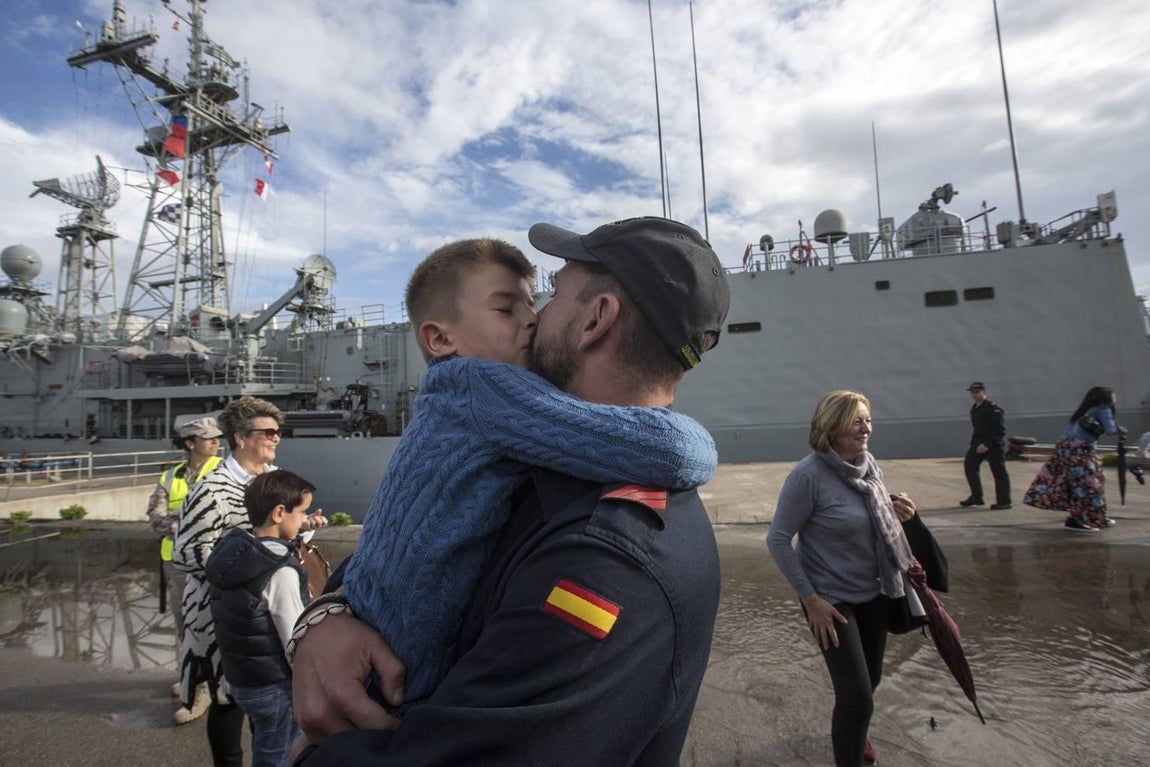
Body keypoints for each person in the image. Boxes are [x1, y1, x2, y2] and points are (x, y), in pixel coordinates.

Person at [289, 216, 731, 765]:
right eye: (512, 306)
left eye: (551, 296)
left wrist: (308, 757)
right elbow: (403, 535)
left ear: (596, 319)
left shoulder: (610, 558)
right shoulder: (535, 459)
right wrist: (323, 618)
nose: (535, 316)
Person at [766, 390, 921, 767]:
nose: (865, 427)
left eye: (867, 419)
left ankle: (856, 732)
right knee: (857, 697)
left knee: (871, 681)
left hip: (876, 592)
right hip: (830, 601)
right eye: (855, 420)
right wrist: (810, 599)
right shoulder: (808, 476)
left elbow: (876, 523)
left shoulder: (870, 467)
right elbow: (778, 539)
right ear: (832, 428)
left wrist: (903, 516)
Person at [173, 395, 328, 767]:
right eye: (268, 432)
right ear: (241, 438)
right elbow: (186, 550)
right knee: (227, 702)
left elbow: (273, 538)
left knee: (270, 703)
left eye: (279, 432)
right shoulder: (212, 489)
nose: (277, 438)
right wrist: (247, 567)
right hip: (220, 614)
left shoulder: (271, 480)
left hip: (266, 610)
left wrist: (301, 530)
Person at [207, 470, 317, 767]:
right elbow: (295, 639)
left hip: (243, 680)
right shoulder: (279, 572)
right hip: (276, 687)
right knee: (277, 757)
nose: (303, 519)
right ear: (279, 512)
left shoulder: (233, 555)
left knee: (265, 746)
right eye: (302, 512)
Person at [145, 416, 223, 724]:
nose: (216, 442)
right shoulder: (169, 477)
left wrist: (179, 522)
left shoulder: (222, 473)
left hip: (213, 561)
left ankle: (203, 687)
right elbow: (154, 515)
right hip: (176, 564)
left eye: (217, 437)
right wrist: (186, 524)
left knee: (211, 625)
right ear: (191, 443)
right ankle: (194, 678)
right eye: (208, 438)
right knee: (184, 625)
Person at [1022, 386, 1125, 531]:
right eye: (1114, 396)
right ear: (1106, 397)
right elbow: (1110, 430)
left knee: (1078, 482)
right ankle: (1077, 520)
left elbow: (1069, 433)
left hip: (1065, 448)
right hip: (1080, 450)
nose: (1115, 399)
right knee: (1089, 484)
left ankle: (1096, 516)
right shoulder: (1104, 408)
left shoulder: (1084, 410)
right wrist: (1122, 430)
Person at [959, 381, 1012, 510]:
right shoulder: (975, 408)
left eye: (977, 392)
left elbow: (1000, 430)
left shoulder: (993, 408)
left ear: (984, 392)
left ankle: (1004, 501)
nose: (974, 394)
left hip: (993, 445)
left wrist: (987, 444)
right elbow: (978, 429)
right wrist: (974, 444)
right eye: (972, 392)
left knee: (999, 472)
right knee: (970, 465)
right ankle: (977, 497)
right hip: (978, 444)